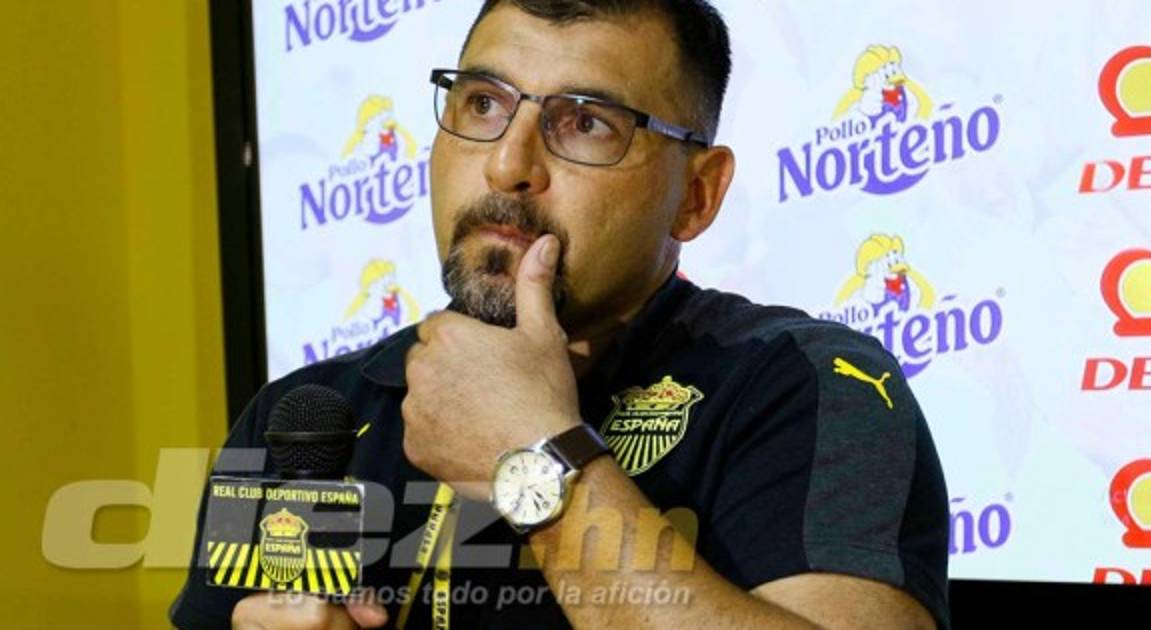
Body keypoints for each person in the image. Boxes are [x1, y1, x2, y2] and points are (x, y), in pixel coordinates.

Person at [171, 1, 950, 628]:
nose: (508, 164)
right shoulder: (304, 413)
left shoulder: (811, 386)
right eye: (483, 104)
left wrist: (533, 456)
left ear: (697, 194)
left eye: (586, 123)